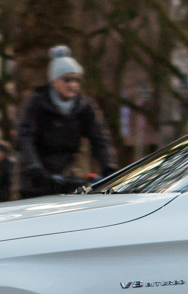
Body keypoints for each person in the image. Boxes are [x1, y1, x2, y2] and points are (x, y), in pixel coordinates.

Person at [14, 46, 115, 197]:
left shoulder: (85, 106)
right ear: (54, 81)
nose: (72, 84)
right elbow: (26, 137)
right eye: (67, 79)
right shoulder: (36, 104)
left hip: (69, 174)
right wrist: (33, 167)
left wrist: (109, 168)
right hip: (38, 178)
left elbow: (100, 138)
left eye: (76, 80)